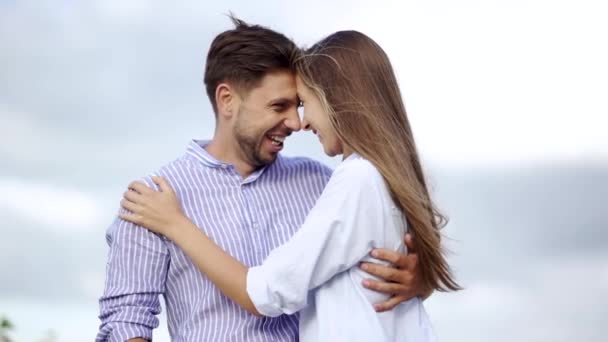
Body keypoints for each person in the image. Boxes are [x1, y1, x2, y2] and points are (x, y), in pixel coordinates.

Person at [97, 17, 427, 342]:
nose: (296, 123)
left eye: (298, 105)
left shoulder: (325, 185)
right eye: (278, 106)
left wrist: (418, 281)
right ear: (227, 100)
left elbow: (384, 264)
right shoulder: (154, 201)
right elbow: (126, 321)